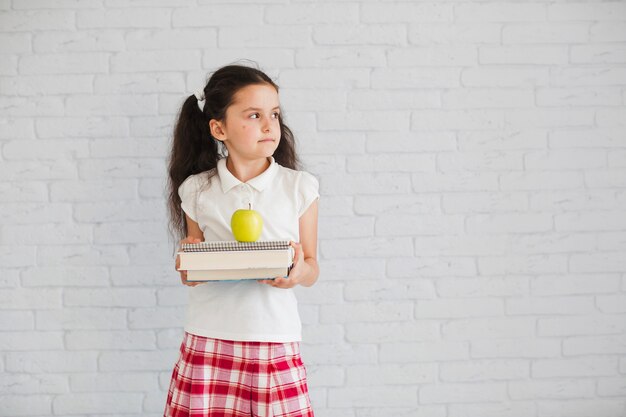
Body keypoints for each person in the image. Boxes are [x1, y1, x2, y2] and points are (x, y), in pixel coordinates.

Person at [163, 62, 319, 417]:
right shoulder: (198, 190)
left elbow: (311, 265)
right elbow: (193, 263)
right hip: (210, 334)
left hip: (273, 336)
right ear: (219, 128)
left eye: (274, 114)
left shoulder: (299, 187)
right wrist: (188, 265)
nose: (269, 126)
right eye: (253, 115)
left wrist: (297, 273)